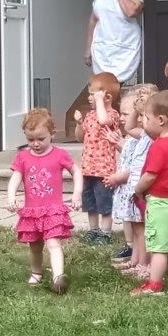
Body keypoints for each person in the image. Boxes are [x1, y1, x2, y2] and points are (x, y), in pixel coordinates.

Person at [7, 109, 84, 294]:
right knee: (35, 246)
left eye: (41, 139)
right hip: (32, 212)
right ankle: (36, 272)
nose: (36, 143)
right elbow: (16, 177)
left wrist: (77, 194)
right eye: (30, 139)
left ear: (52, 134)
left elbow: (76, 171)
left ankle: (58, 277)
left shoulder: (59, 155)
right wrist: (11, 196)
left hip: (52, 211)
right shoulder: (23, 157)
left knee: (53, 243)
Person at [130, 91, 168, 296]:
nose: (143, 122)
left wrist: (138, 189)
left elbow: (150, 176)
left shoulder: (159, 146)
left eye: (146, 118)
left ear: (161, 120)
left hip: (159, 204)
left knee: (159, 249)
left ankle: (154, 284)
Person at [73, 72, 121, 245]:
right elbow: (80, 137)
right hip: (88, 167)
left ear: (107, 97)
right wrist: (79, 123)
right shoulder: (90, 115)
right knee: (90, 203)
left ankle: (105, 232)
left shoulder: (113, 115)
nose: (89, 98)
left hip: (104, 170)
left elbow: (103, 120)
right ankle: (93, 229)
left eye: (93, 94)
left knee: (104, 203)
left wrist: (100, 101)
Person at [109, 90, 150, 275]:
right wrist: (137, 108)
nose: (123, 118)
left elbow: (135, 168)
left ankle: (143, 264)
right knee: (135, 228)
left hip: (139, 188)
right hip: (131, 189)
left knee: (141, 230)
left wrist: (143, 107)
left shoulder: (149, 136)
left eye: (128, 113)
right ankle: (135, 261)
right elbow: (129, 127)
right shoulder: (137, 136)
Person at [86, 0, 144, 85]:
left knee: (114, 86)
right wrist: (88, 48)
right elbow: (94, 18)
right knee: (103, 86)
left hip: (125, 46)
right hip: (102, 47)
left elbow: (131, 11)